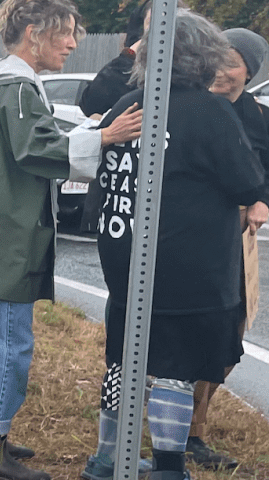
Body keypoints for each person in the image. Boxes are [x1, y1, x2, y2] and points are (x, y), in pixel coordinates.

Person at [0, 0, 143, 478]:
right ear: (33, 33)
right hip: (3, 234)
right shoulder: (17, 87)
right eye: (65, 33)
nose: (72, 44)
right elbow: (37, 147)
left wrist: (92, 132)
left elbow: (34, 137)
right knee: (9, 343)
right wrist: (106, 137)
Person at [87, 12, 264, 480]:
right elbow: (246, 181)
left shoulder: (127, 104)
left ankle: (105, 459)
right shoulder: (209, 112)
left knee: (123, 363)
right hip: (188, 264)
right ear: (205, 58)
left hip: (122, 259)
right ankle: (168, 466)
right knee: (175, 370)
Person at [180, 26, 269, 473]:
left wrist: (261, 199)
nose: (221, 70)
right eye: (215, 58)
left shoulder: (257, 117)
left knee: (229, 335)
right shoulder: (186, 101)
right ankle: (175, 428)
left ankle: (196, 426)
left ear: (249, 73)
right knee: (180, 333)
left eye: (232, 62)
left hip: (235, 242)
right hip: (185, 237)